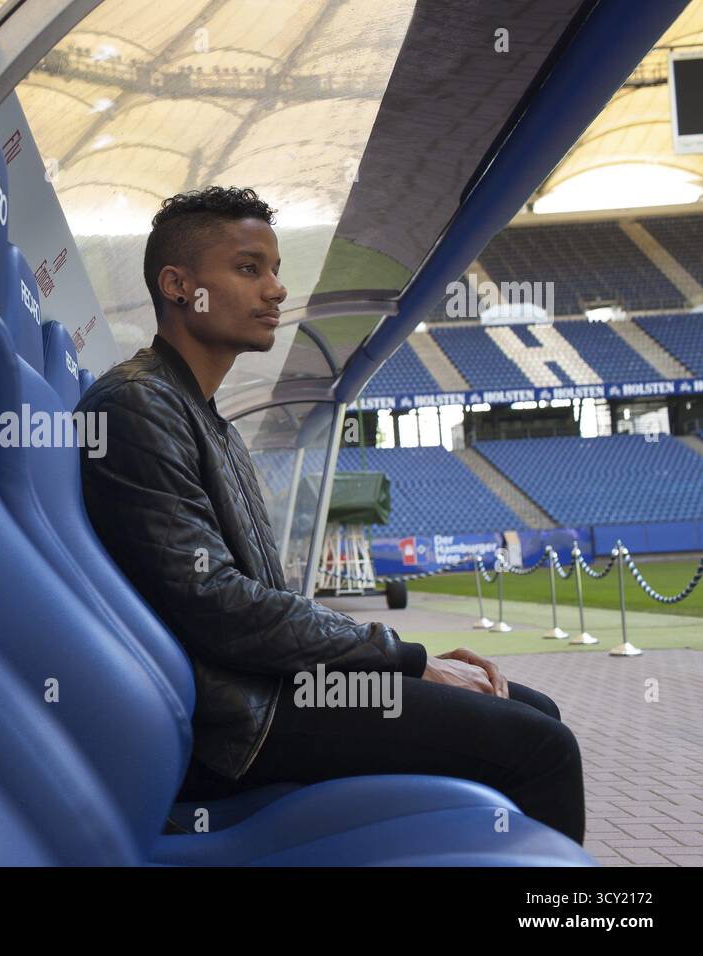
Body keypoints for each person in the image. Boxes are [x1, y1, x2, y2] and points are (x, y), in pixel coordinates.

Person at [75, 185, 585, 845]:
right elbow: (216, 606)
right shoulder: (135, 408)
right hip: (242, 722)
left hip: (270, 690)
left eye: (276, 270)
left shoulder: (206, 420)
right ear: (179, 286)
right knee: (544, 747)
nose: (277, 290)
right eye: (249, 268)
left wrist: (401, 660)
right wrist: (406, 660)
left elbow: (255, 603)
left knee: (532, 708)